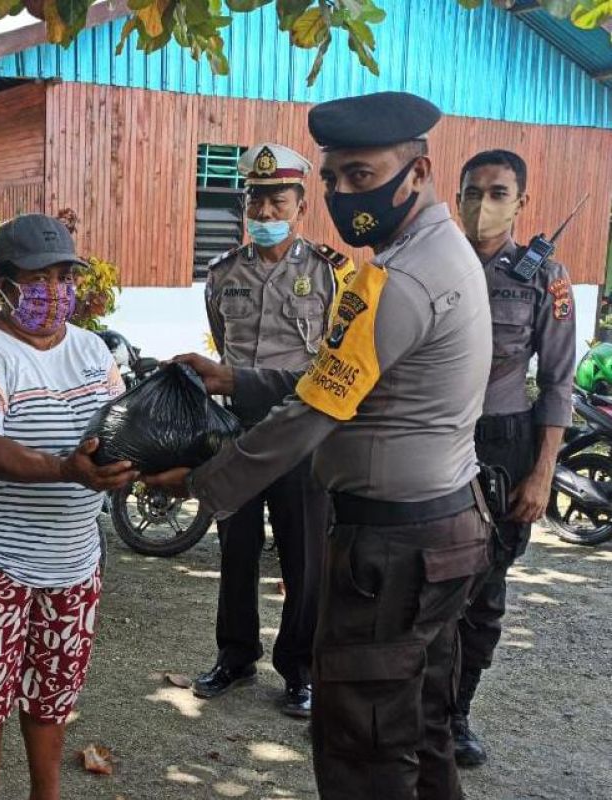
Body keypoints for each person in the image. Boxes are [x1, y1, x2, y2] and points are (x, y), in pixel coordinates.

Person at [146, 91, 494, 800]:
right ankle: (237, 655)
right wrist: (236, 380)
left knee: (363, 747)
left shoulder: (391, 280)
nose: (343, 195)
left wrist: (199, 484)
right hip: (444, 523)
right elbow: (331, 376)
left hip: (393, 547)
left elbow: (312, 408)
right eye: (334, 179)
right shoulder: (443, 251)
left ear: (419, 172)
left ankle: (292, 669)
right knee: (421, 733)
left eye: (359, 177)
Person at [0, 214, 136, 800]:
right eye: (38, 279)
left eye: (64, 276)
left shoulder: (91, 350)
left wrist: (144, 463)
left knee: (54, 689)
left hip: (71, 557)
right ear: (3, 284)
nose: (55, 291)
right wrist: (66, 470)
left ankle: (47, 794)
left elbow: (119, 428)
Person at [198, 142, 348, 717]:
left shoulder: (331, 276)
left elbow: (330, 366)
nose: (263, 213)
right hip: (238, 432)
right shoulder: (222, 275)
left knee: (304, 555)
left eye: (275, 200)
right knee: (235, 549)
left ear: (300, 205)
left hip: (302, 438)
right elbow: (221, 345)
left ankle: (300, 670)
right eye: (254, 200)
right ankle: (234, 656)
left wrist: (243, 379)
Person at [451, 149, 576, 766]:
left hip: (504, 443)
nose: (482, 205)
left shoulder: (544, 277)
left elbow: (557, 382)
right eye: (472, 192)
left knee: (484, 589)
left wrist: (542, 470)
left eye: (498, 193)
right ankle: (414, 707)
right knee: (422, 580)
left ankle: (456, 715)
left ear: (521, 202)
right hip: (433, 435)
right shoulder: (435, 263)